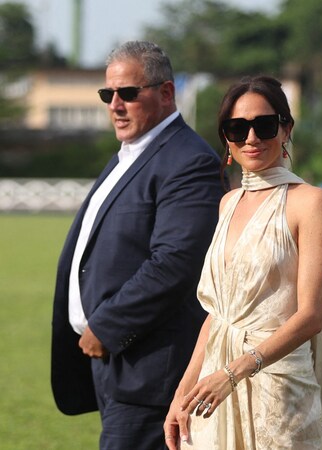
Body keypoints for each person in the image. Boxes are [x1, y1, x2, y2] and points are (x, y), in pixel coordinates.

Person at [50, 41, 224, 449]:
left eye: (128, 93)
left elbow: (175, 263)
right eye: (107, 94)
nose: (115, 104)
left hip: (150, 374)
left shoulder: (188, 160)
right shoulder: (129, 154)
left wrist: (106, 327)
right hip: (115, 367)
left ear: (166, 93)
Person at [162, 75, 322, 450]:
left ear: (286, 128)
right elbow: (219, 314)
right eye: (237, 128)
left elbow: (310, 315)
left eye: (264, 125)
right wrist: (183, 392)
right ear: (226, 138)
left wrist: (235, 372)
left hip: (278, 389)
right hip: (214, 386)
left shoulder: (312, 203)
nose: (251, 138)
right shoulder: (228, 203)